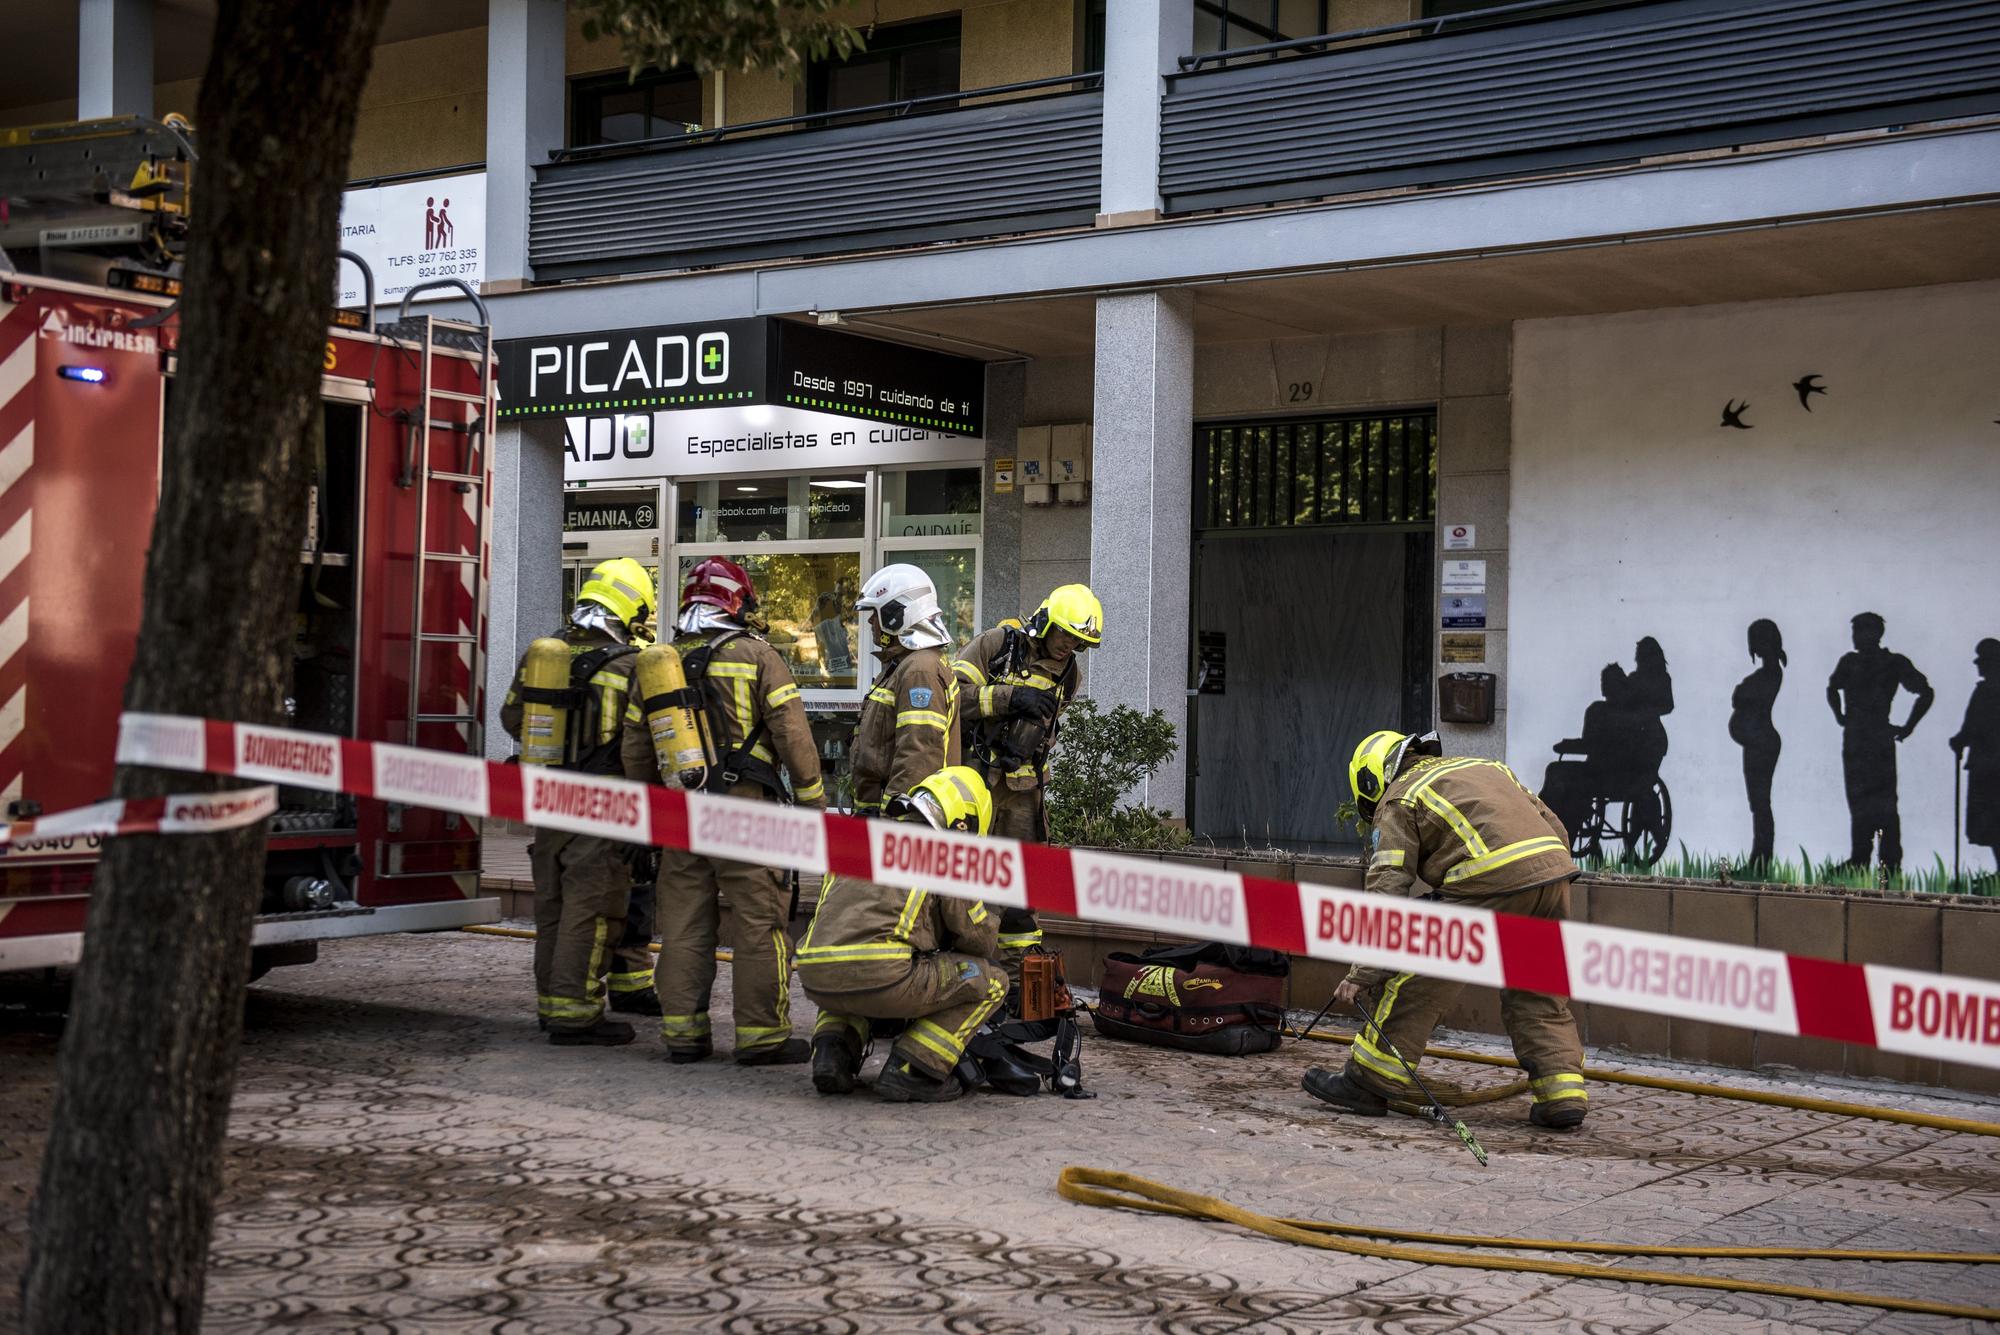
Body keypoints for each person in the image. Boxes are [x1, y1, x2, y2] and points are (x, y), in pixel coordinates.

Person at [1307, 730, 1588, 1129]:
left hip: (1490, 881)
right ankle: (1562, 1097)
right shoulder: (1486, 767)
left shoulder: (1399, 796)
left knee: (1416, 975)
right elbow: (1556, 829)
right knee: (1538, 988)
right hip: (1553, 878)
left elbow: (1387, 888)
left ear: (1371, 782)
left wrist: (1365, 970)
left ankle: (1368, 1081)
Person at [633, 556, 826, 1065]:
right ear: (737, 602)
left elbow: (638, 746)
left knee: (683, 925)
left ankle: (683, 1035)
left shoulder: (661, 662)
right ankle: (761, 1037)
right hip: (746, 813)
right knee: (759, 924)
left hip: (680, 813)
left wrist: (647, 804)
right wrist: (813, 804)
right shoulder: (757, 656)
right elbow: (793, 736)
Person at [499, 556, 657, 1046]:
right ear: (630, 611)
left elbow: (511, 719)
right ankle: (575, 1014)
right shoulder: (632, 667)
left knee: (551, 906)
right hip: (602, 805)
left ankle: (551, 1006)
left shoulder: (545, 654)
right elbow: (639, 746)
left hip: (549, 799)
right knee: (589, 910)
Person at [798, 766, 1006, 1103]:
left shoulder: (861, 838)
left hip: (815, 975)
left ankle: (832, 1055)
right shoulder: (944, 850)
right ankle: (915, 1070)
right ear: (965, 821)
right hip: (883, 977)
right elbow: (978, 940)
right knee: (992, 980)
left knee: (850, 960)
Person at [952, 584, 1102, 986]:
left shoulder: (1069, 674)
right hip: (973, 783)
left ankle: (1019, 986)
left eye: (1080, 641)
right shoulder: (996, 646)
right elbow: (949, 698)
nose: (1070, 646)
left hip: (1023, 794)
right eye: (1066, 634)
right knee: (962, 883)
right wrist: (1008, 699)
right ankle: (963, 977)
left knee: (1021, 890)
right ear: (1046, 622)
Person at [849, 564, 960, 816]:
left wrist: (894, 818)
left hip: (900, 818)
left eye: (875, 614)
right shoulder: (906, 664)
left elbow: (918, 755)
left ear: (896, 615)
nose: (870, 621)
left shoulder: (919, 669)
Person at [1827, 612, 1933, 870]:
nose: (1855, 637)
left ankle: (1889, 862)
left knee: (1883, 802)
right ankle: (1861, 858)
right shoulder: (1852, 662)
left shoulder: (1891, 662)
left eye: (1859, 631)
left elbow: (1925, 692)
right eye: (1855, 632)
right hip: (1858, 738)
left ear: (1873, 633)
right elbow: (1832, 688)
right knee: (1860, 800)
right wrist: (1840, 715)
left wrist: (1909, 726)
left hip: (1872, 738)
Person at [1729, 619, 1787, 870]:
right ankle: (1759, 858)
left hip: (1762, 742)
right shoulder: (1766, 673)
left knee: (1761, 803)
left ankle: (1761, 860)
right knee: (1758, 803)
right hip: (1756, 742)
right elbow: (1740, 696)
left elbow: (1741, 695)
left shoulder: (1770, 673)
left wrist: (1742, 690)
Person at [1950, 638, 2000, 878]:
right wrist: (1960, 739)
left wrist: (1961, 739)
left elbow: (1974, 726)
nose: (1978, 666)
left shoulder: (1987, 692)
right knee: (1990, 822)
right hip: (1984, 764)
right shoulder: (1983, 691)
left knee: (1993, 819)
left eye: (1983, 661)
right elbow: (1970, 726)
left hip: (1990, 766)